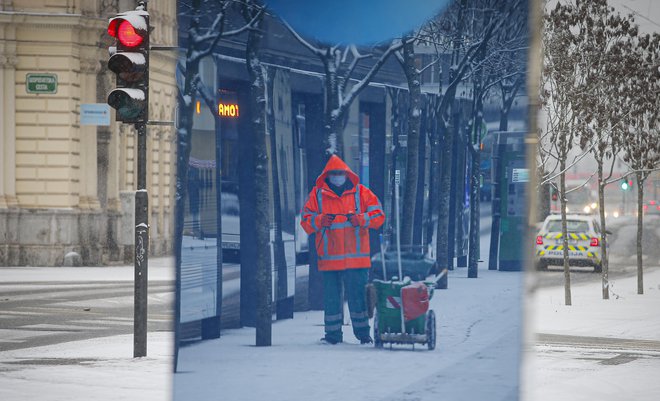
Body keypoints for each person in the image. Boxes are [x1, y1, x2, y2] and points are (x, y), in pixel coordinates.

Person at [300, 155, 385, 344]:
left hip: (356, 260)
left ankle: (363, 334)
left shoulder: (361, 193)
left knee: (358, 299)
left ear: (346, 174)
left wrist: (360, 219)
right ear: (327, 175)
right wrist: (320, 220)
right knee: (332, 300)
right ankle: (333, 336)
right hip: (331, 259)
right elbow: (305, 221)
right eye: (334, 173)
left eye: (340, 173)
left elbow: (379, 216)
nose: (337, 176)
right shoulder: (317, 195)